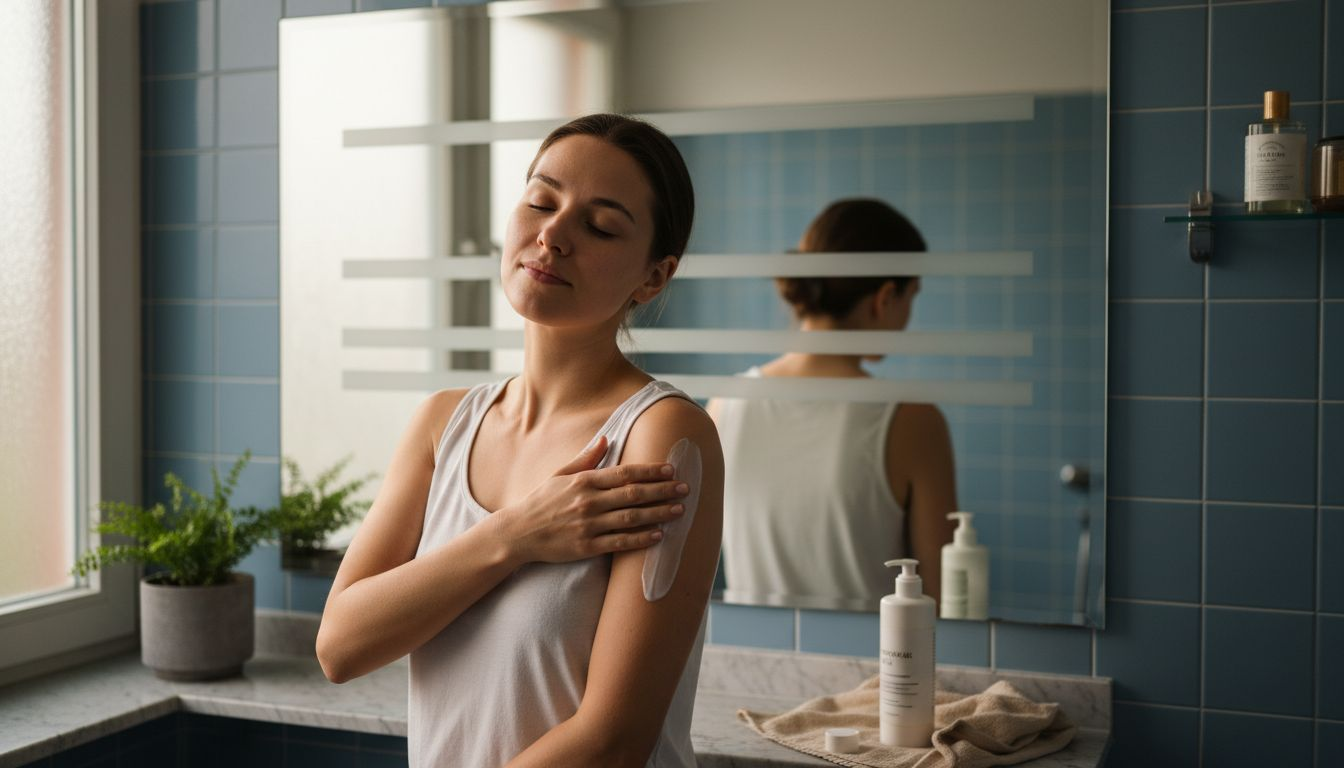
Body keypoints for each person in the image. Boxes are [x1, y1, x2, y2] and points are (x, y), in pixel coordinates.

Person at [315, 114, 723, 768]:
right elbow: (340, 647)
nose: (553, 234)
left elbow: (615, 740)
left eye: (601, 226)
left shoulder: (662, 436)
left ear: (653, 277)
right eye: (540, 201)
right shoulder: (442, 425)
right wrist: (513, 536)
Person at [709, 198, 956, 611]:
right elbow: (945, 600)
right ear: (885, 297)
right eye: (911, 296)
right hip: (873, 655)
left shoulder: (725, 404)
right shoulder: (911, 420)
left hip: (747, 650)